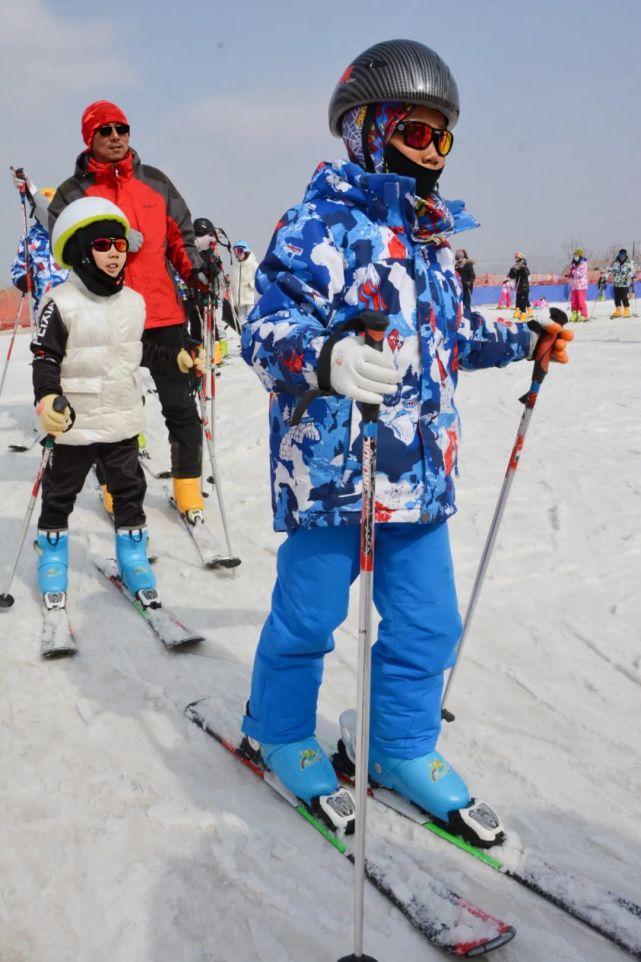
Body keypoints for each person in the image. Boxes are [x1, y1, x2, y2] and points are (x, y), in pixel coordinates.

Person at [238, 39, 573, 840]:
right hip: (333, 472)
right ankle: (277, 730)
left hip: (419, 477)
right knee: (309, 618)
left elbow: (449, 334)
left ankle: (396, 745)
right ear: (364, 128)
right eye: (412, 132)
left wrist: (523, 335)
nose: (430, 151)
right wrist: (324, 356)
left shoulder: (430, 238)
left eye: (440, 136)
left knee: (427, 626)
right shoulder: (317, 223)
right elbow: (263, 331)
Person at [32, 197, 204, 603]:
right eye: (103, 245)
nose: (113, 254)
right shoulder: (60, 302)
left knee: (130, 491)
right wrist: (47, 399)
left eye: (120, 245)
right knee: (60, 493)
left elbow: (138, 348)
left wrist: (173, 357)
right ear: (81, 251)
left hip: (122, 418)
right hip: (75, 422)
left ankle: (133, 555)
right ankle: (52, 557)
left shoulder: (134, 302)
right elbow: (44, 358)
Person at [45, 100, 209, 523]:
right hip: (104, 317)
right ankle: (114, 488)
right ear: (90, 138)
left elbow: (181, 235)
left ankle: (188, 487)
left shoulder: (155, 182)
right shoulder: (72, 192)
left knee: (181, 406)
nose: (116, 136)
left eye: (122, 128)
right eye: (105, 131)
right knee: (108, 412)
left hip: (161, 311)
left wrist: (197, 274)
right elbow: (62, 245)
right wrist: (110, 236)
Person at [10, 182, 68, 317]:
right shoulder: (29, 236)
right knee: (46, 337)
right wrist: (21, 279)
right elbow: (17, 267)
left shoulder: (66, 232)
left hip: (69, 302)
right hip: (42, 304)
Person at [232, 240, 259, 326]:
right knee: (241, 322)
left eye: (239, 250)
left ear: (246, 251)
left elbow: (259, 279)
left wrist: (250, 284)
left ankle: (250, 337)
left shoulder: (253, 264)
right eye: (235, 251)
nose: (237, 253)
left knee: (250, 321)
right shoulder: (237, 266)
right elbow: (235, 282)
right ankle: (243, 338)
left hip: (250, 299)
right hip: (240, 301)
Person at [607, 248, 636, 318]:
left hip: (624, 284)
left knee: (624, 298)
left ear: (625, 255)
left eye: (623, 255)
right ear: (619, 254)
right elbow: (610, 270)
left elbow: (632, 271)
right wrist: (605, 277)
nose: (622, 256)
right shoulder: (615, 262)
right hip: (616, 283)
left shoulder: (630, 262)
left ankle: (627, 311)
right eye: (620, 254)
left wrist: (630, 275)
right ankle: (618, 311)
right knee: (616, 298)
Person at [565, 248, 589, 322]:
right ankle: (574, 314)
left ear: (580, 256)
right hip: (574, 286)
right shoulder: (574, 264)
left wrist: (573, 271)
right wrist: (570, 275)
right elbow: (574, 274)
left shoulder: (583, 264)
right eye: (575, 255)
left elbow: (580, 274)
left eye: (577, 255)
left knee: (581, 301)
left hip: (581, 286)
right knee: (574, 301)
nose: (575, 257)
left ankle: (584, 315)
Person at [508, 252, 531, 319]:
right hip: (518, 287)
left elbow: (527, 273)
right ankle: (519, 312)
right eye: (515, 258)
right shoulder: (516, 266)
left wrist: (522, 267)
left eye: (517, 257)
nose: (516, 259)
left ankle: (524, 313)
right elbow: (511, 276)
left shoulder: (524, 266)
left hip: (524, 287)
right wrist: (513, 269)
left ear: (521, 258)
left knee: (524, 301)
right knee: (518, 300)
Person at [454, 249, 475, 315]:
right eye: (457, 258)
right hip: (459, 288)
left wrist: (469, 282)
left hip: (467, 287)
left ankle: (468, 317)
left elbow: (472, 275)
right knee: (460, 304)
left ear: (462, 257)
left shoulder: (467, 264)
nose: (457, 260)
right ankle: (461, 317)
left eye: (459, 258)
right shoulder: (456, 266)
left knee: (466, 304)